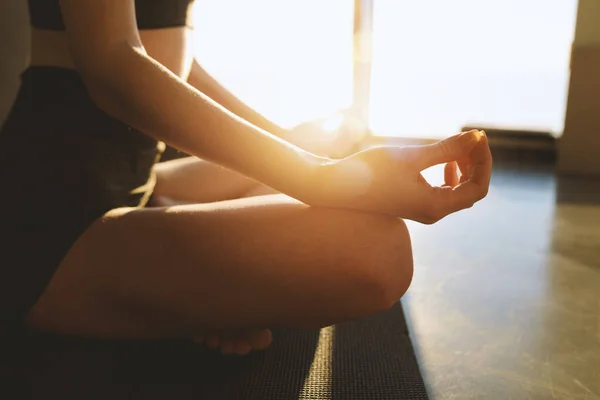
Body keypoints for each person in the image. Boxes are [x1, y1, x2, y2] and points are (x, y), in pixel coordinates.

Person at [0, 0, 492, 356]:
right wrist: (317, 178)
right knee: (378, 250)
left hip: (142, 181)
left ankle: (189, 292)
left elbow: (171, 61)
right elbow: (113, 64)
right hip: (48, 216)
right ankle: (194, 295)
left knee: (320, 149)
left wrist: (305, 152)